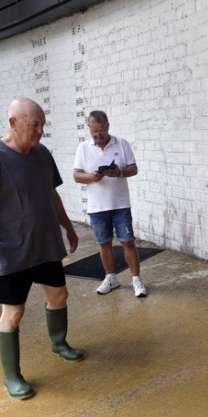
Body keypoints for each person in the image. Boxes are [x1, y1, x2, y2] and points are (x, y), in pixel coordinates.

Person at [0, 97, 83, 400]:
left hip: (45, 244)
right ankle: (12, 376)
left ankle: (59, 343)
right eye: (34, 125)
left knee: (59, 295)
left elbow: (52, 195)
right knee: (13, 312)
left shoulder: (42, 154)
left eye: (42, 125)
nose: (40, 131)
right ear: (13, 123)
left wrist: (68, 227)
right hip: (12, 251)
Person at [73, 110, 147, 297]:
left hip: (120, 204)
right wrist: (91, 176)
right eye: (93, 131)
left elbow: (134, 168)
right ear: (89, 128)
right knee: (104, 244)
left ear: (108, 126)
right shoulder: (83, 148)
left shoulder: (122, 144)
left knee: (127, 242)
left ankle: (136, 279)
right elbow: (76, 175)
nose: (98, 135)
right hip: (97, 206)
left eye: (101, 131)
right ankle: (111, 278)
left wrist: (119, 173)